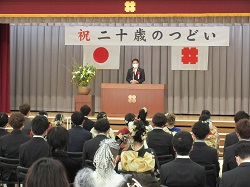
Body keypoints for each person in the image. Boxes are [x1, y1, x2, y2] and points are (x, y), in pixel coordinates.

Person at [0, 113, 31, 187]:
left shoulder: (3, 140)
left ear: (10, 124)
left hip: (6, 175)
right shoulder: (29, 139)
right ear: (23, 124)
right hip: (23, 174)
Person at [190, 121, 220, 187]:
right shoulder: (213, 152)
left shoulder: (188, 151)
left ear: (193, 134)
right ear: (207, 135)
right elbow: (217, 171)